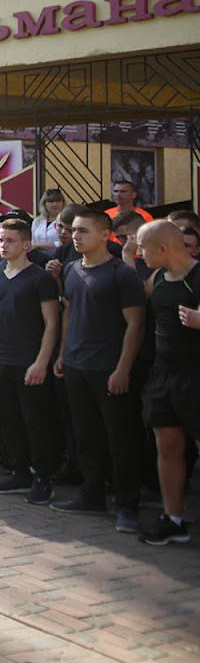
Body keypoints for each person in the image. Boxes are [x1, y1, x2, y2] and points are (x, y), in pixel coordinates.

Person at [52, 209, 146, 531]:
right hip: (76, 365)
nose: (75, 236)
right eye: (74, 230)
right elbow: (68, 313)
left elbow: (136, 324)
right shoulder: (71, 269)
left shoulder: (122, 274)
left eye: (83, 231)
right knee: (86, 435)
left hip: (109, 368)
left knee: (120, 439)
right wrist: (63, 353)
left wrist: (123, 369)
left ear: (105, 235)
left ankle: (127, 506)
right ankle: (92, 494)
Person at [0, 217, 62, 505]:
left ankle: (43, 478)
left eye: (10, 240)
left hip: (29, 361)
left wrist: (41, 362)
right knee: (8, 421)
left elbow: (52, 323)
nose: (3, 245)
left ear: (26, 245)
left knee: (36, 423)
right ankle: (20, 472)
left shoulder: (41, 278)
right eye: (1, 239)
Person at [135, 220, 199, 545]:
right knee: (168, 446)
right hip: (163, 376)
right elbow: (141, 298)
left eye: (142, 247)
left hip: (196, 376)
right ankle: (173, 519)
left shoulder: (198, 275)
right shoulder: (158, 277)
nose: (139, 253)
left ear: (163, 248)